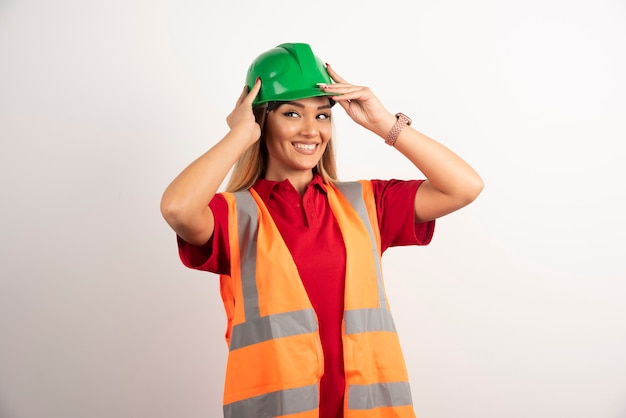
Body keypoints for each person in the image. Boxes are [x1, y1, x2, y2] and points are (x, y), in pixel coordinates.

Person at [160, 42, 483, 418]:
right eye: (292, 114)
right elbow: (177, 207)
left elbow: (465, 186)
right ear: (261, 120)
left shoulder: (366, 203)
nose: (311, 130)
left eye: (323, 115)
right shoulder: (233, 215)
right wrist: (238, 136)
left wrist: (384, 125)